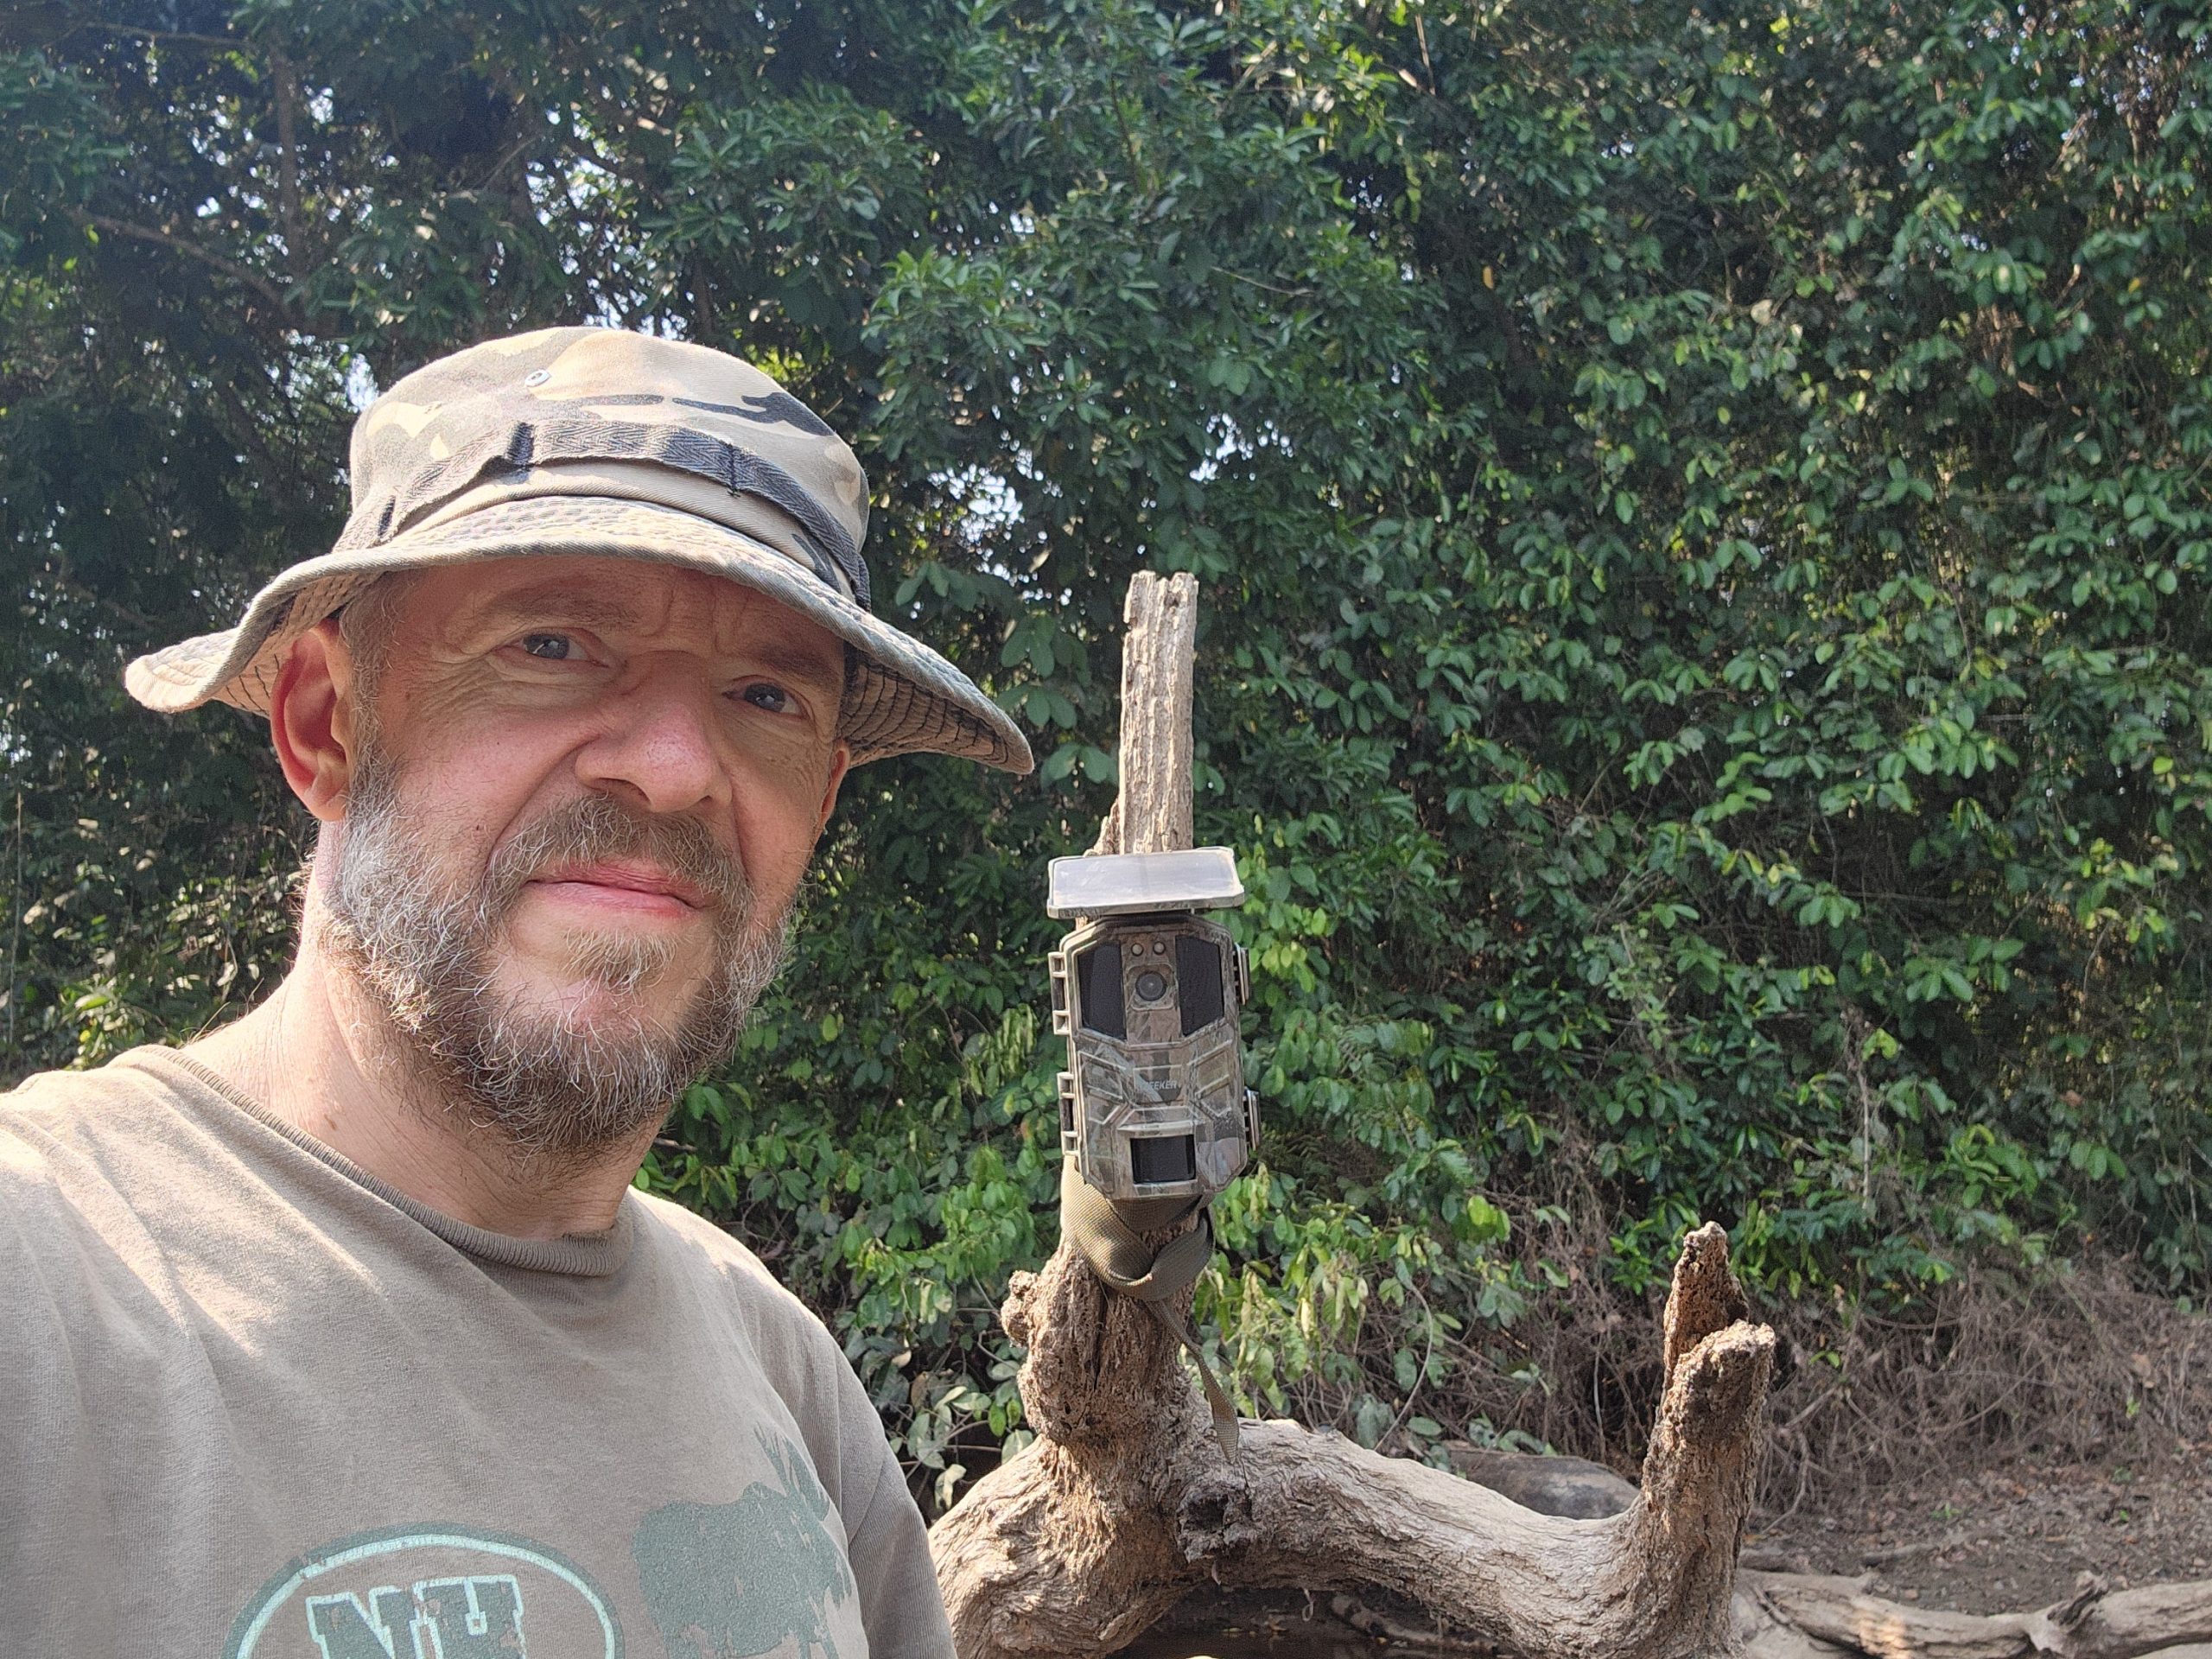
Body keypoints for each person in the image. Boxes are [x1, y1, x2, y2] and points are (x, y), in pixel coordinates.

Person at [0, 326, 1033, 1659]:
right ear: (325, 724)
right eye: (551, 643)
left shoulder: (782, 1373)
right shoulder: (48, 1279)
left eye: (764, 694)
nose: (675, 768)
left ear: (819, 805)